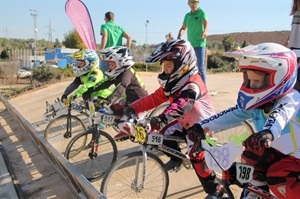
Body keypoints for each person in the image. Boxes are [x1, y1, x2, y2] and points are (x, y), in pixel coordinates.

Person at [187, 43, 300, 199]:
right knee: (251, 155)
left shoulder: (291, 98)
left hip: (297, 158)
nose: (251, 86)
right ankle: (255, 193)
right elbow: (233, 113)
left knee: (278, 178)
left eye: (257, 81)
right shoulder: (257, 104)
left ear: (280, 77)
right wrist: (202, 126)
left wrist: (268, 133)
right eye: (248, 79)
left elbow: (279, 115)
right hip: (281, 152)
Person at [124, 39, 220, 198]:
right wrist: (133, 108)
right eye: (164, 66)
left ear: (183, 65)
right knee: (158, 135)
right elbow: (154, 98)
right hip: (184, 122)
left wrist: (162, 118)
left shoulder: (192, 83)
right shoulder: (174, 82)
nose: (165, 70)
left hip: (202, 126)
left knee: (198, 160)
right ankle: (177, 159)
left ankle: (215, 190)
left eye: (168, 66)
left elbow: (184, 104)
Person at [83, 46, 148, 141]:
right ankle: (125, 128)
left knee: (124, 123)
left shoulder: (127, 72)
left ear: (120, 62)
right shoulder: (120, 71)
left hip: (142, 103)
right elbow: (106, 83)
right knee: (110, 111)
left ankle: (132, 132)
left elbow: (121, 89)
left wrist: (108, 100)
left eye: (112, 64)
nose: (110, 67)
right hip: (130, 102)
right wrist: (90, 90)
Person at [177, 0, 208, 84]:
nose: (193, 5)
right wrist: (179, 35)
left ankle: (204, 88)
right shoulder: (187, 16)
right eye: (191, 3)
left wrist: (205, 31)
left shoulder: (201, 12)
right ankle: (192, 86)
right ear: (188, 4)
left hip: (200, 44)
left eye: (195, 2)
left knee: (200, 66)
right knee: (190, 66)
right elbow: (183, 28)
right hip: (190, 45)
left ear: (198, 3)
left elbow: (206, 23)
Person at [285, 0, 300, 91]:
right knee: (293, 77)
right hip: (293, 49)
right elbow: (292, 30)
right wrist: (286, 42)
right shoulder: (296, 14)